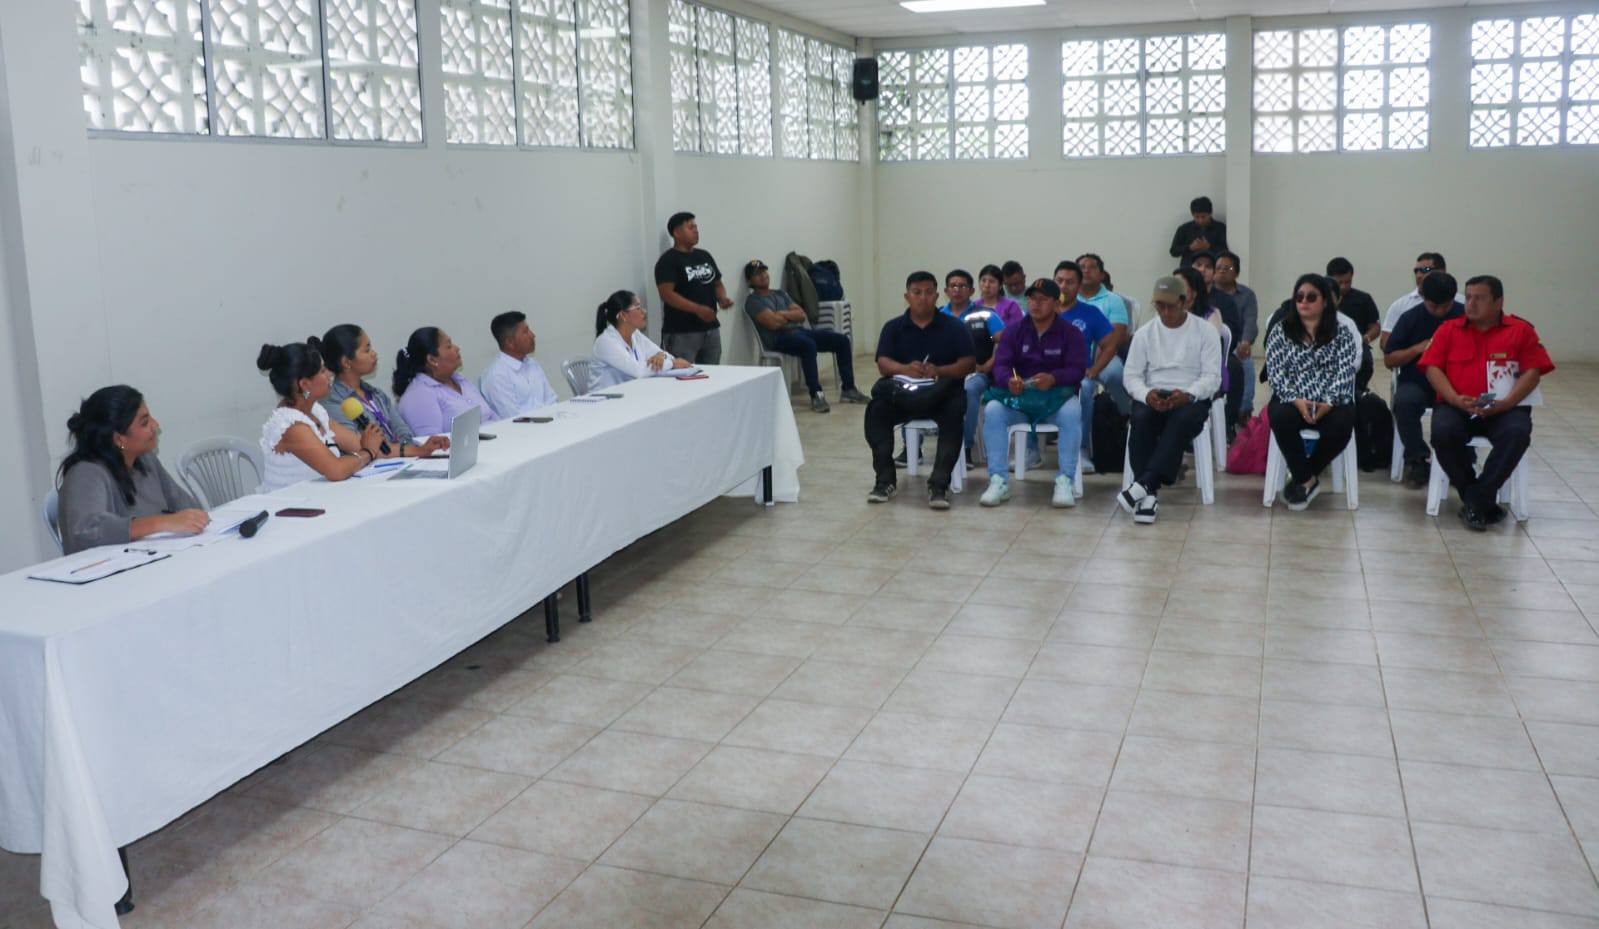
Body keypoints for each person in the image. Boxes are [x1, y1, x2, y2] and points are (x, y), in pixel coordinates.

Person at [1420, 275, 1554, 530]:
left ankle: (1477, 499)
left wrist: (1507, 403)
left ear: (1498, 302)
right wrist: (1454, 398)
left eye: (1479, 298)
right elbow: (1432, 368)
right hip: (1457, 406)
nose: (1470, 304)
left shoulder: (1521, 330)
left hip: (1505, 409)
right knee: (1443, 432)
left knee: (1517, 433)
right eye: (1468, 297)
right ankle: (1477, 496)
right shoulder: (1448, 330)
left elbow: (1533, 372)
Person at [258, 340, 439, 494]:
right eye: (322, 371)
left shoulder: (315, 411)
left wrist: (420, 450)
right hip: (289, 510)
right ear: (304, 384)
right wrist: (367, 452)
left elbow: (361, 444)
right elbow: (336, 470)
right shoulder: (291, 425)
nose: (330, 374)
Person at [864, 271, 976, 509]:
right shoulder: (893, 327)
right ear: (907, 296)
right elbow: (883, 363)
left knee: (954, 413)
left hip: (941, 395)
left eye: (928, 293)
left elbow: (968, 364)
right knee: (876, 410)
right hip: (903, 395)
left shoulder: (954, 327)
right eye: (917, 293)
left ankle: (939, 484)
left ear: (937, 296)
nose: (923, 298)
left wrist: (939, 370)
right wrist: (905, 369)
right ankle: (884, 481)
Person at [56, 385, 208, 555]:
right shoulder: (85, 473)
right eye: (144, 422)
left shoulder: (146, 460)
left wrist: (193, 518)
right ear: (119, 439)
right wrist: (162, 523)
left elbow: (185, 505)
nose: (155, 425)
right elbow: (87, 531)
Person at [1119, 276, 1221, 524]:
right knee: (1141, 418)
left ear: (1185, 302)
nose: (1165, 312)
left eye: (1171, 306)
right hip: (1154, 394)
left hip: (1191, 396)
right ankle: (1148, 493)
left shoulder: (1205, 331)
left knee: (1182, 420)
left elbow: (1212, 377)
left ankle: (1144, 485)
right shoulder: (1145, 333)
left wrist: (1189, 395)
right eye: (1160, 306)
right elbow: (1131, 376)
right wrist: (1147, 395)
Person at [979, 278, 1088, 509]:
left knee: (1072, 412)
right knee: (993, 410)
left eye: (1042, 299)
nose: (1035, 304)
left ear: (1056, 304)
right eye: (1032, 299)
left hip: (1055, 400)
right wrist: (1009, 381)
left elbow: (1077, 370)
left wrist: (1054, 378)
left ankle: (1065, 480)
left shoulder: (1071, 333)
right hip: (1019, 399)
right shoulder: (1014, 331)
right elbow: (1001, 365)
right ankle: (998, 480)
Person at [1265, 274, 1361, 510]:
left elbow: (1345, 373)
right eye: (1298, 297)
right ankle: (1307, 480)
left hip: (1332, 400)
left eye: (1311, 297)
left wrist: (1328, 403)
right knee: (1279, 417)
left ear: (1325, 301)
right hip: (1293, 398)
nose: (1303, 302)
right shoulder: (1281, 330)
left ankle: (1303, 476)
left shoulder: (1342, 333)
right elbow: (1275, 373)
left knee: (1342, 425)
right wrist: (1297, 400)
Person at [744, 259, 868, 413]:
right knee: (808, 345)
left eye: (764, 271)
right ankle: (816, 394)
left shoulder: (780, 294)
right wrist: (790, 316)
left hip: (800, 332)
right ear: (750, 281)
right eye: (757, 274)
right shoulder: (753, 301)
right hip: (778, 338)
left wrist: (781, 314)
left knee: (841, 341)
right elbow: (773, 324)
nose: (763, 275)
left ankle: (849, 389)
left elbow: (801, 315)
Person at [1385, 271, 1464, 487]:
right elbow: (1390, 359)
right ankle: (1418, 459)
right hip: (1417, 382)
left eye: (1445, 306)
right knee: (1404, 403)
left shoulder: (1465, 317)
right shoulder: (1410, 318)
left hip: (1456, 383)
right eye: (1433, 306)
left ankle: (1462, 458)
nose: (1439, 312)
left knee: (1466, 405)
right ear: (1424, 298)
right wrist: (1417, 349)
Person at [1055, 261, 1115, 470]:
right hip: (1045, 374)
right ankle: (1032, 449)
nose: (1063, 286)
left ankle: (1080, 449)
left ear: (1079, 286)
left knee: (1087, 388)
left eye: (1070, 282)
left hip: (1078, 375)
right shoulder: (1041, 309)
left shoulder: (1090, 313)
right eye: (1059, 281)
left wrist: (1095, 370)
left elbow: (1110, 345)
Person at [320, 325, 416, 450]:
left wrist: (405, 448)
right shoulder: (333, 402)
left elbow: (404, 433)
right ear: (346, 362)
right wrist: (401, 451)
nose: (374, 354)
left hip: (401, 458)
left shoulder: (377, 394)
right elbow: (358, 446)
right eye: (367, 350)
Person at [654, 211, 733, 365]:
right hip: (682, 332)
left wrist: (722, 298)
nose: (696, 231)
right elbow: (667, 294)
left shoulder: (704, 255)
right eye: (690, 228)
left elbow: (717, 283)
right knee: (684, 375)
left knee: (713, 373)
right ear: (677, 233)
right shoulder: (668, 260)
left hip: (710, 329)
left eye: (696, 227)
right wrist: (698, 309)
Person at [941, 268, 1004, 456]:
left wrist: (988, 365)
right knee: (913, 388)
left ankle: (965, 446)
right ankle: (912, 448)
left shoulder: (986, 315)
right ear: (946, 291)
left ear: (971, 291)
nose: (957, 290)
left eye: (962, 286)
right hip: (943, 373)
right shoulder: (938, 316)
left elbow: (1005, 343)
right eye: (953, 286)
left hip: (977, 374)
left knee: (969, 390)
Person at [393, 327, 501, 437]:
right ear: (432, 360)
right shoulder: (418, 395)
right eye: (449, 346)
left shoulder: (460, 380)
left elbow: (492, 416)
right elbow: (432, 443)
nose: (457, 348)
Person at [591, 289, 694, 390]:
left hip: (629, 393)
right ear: (623, 315)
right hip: (604, 398)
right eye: (638, 308)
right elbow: (638, 371)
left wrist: (661, 356)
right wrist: (672, 363)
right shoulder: (605, 342)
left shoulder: (635, 334)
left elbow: (662, 354)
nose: (644, 311)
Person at [478, 311, 559, 419]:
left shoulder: (532, 363)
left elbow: (552, 399)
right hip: (525, 428)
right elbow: (515, 419)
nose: (532, 335)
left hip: (550, 422)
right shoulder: (496, 376)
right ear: (510, 343)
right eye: (526, 332)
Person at [1213, 251, 1259, 418]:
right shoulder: (1208, 294)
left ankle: (1244, 411)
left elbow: (1250, 320)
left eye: (1228, 268)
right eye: (1218, 268)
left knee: (1246, 363)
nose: (1222, 271)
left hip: (1237, 344)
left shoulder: (1247, 295)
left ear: (1237, 273)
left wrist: (1245, 341)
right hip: (1213, 344)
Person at [1325, 257, 1380, 391]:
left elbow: (1375, 326)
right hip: (1325, 342)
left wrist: (1366, 338)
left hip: (1357, 343)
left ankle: (1358, 390)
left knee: (1365, 361)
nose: (1343, 286)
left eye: (1347, 282)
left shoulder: (1364, 299)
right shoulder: (1318, 299)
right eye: (1339, 282)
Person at [1381, 252, 1449, 349]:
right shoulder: (1400, 306)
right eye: (1416, 271)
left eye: (1425, 270)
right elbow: (1385, 344)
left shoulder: (1461, 303)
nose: (1419, 275)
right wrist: (1416, 349)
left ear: (1442, 271)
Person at [1169, 195, 1228, 266]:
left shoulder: (1220, 228)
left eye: (1203, 216)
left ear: (1210, 213)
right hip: (1188, 269)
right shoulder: (1184, 229)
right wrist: (1190, 247)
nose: (1200, 220)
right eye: (1197, 217)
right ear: (1192, 214)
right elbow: (1173, 251)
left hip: (1212, 269)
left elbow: (1226, 251)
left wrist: (1209, 247)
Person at [973, 263, 1024, 329]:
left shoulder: (1011, 306)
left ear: (1000, 285)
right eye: (983, 281)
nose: (987, 285)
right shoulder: (973, 306)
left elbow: (1018, 331)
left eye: (991, 281)